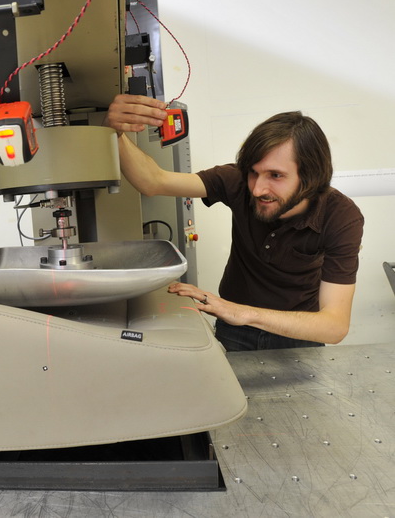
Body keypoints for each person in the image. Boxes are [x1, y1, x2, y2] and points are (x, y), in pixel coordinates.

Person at [105, 94, 364, 351]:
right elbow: (153, 181)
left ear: (311, 177)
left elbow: (334, 326)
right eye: (253, 172)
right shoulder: (236, 181)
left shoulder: (341, 217)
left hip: (298, 333)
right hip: (235, 330)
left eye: (275, 175)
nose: (258, 189)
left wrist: (243, 312)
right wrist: (115, 132)